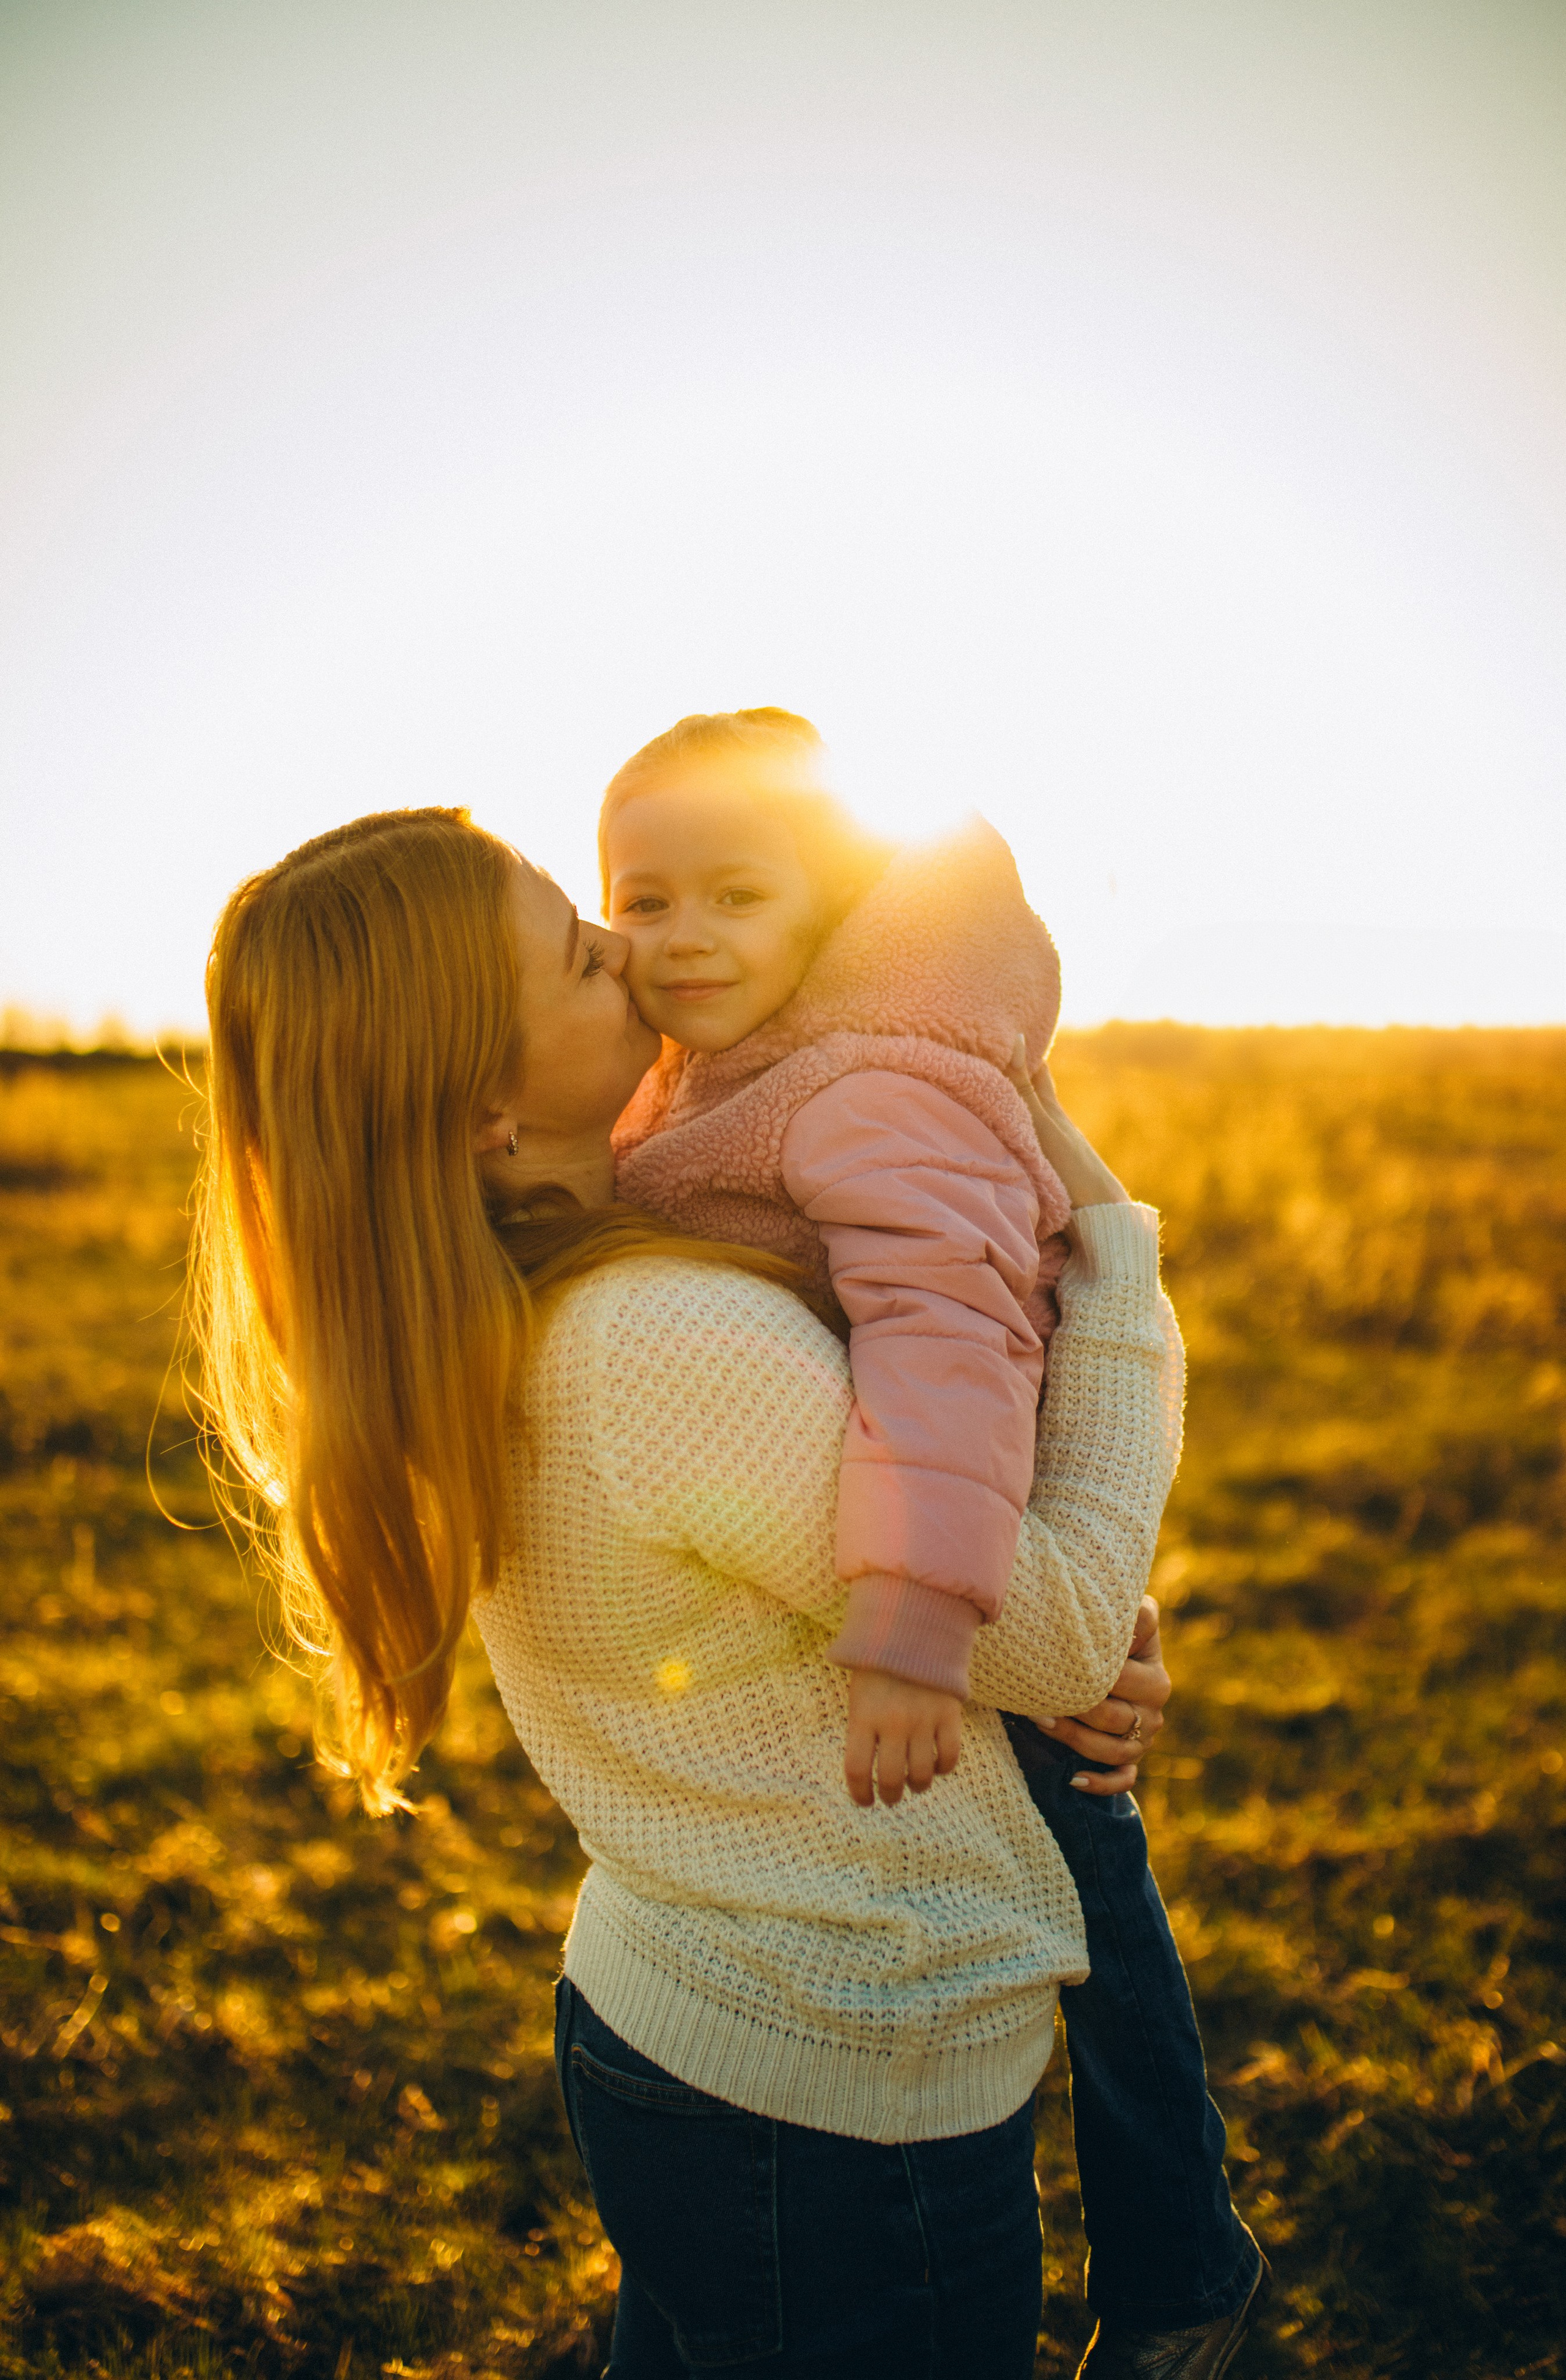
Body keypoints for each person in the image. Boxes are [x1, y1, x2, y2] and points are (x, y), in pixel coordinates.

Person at [191, 805, 1259, 2379]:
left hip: (685, 2011)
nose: (625, 948)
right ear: (486, 1103)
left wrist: (1050, 1646)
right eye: (573, 951)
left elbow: (927, 1607)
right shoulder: (658, 1348)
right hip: (832, 2087)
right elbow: (1046, 1626)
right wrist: (1114, 1270)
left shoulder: (526, 1300)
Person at [600, 710, 1267, 2374]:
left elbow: (948, 1350)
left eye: (733, 897)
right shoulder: (729, 1070)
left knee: (1094, 1884)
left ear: (824, 917)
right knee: (1086, 1864)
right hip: (955, 1534)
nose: (679, 940)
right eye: (642, 898)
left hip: (982, 1528)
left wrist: (912, 1622)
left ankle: (1182, 2262)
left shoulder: (873, 1085)